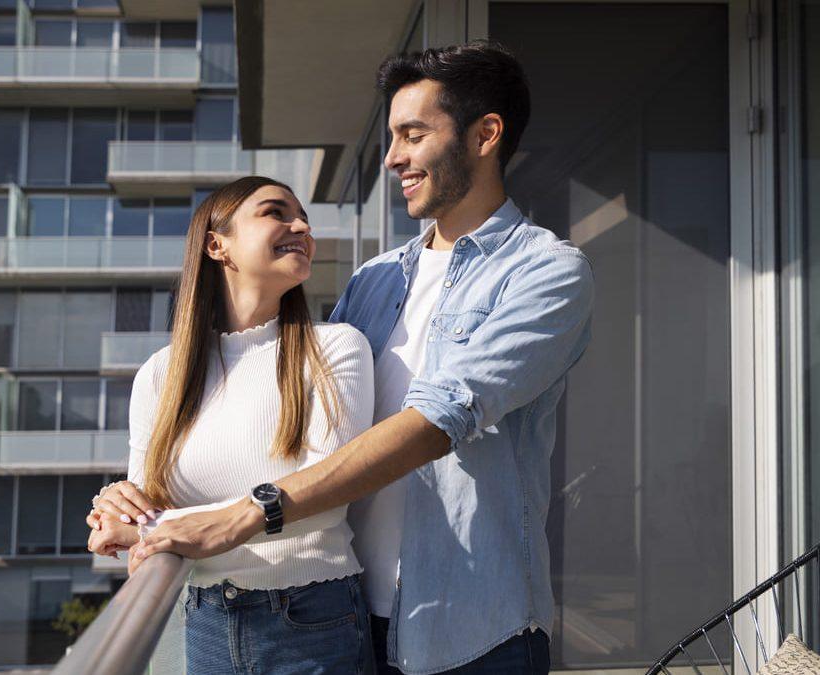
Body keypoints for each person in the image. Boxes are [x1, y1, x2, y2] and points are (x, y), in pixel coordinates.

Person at [95, 40, 594, 674]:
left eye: (413, 135)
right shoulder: (375, 279)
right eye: (392, 137)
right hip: (344, 617)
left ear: (484, 135)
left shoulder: (546, 272)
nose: (392, 157)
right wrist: (128, 497)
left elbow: (437, 420)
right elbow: (294, 423)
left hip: (472, 629)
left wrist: (239, 517)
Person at [86, 176, 377, 674]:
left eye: (303, 218)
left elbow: (327, 497)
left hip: (313, 622)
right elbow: (144, 508)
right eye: (276, 212)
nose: (302, 227)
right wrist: (117, 504)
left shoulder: (335, 348)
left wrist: (148, 529)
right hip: (204, 618)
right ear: (216, 245)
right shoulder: (160, 374)